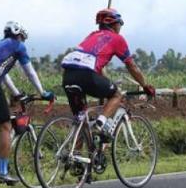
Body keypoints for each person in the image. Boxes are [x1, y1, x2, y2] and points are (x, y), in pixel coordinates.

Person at [0, 21, 55, 185]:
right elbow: (29, 72)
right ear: (19, 35)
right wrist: (43, 92)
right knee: (6, 127)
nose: (22, 41)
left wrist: (15, 93)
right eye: (22, 38)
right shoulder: (18, 46)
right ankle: (2, 172)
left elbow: (4, 74)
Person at [60, 8, 155, 138]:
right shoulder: (117, 38)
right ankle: (100, 124)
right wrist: (145, 85)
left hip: (68, 76)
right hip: (86, 75)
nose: (120, 27)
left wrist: (107, 82)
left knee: (81, 122)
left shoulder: (92, 35)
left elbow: (95, 68)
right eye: (120, 23)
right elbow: (131, 66)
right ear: (114, 23)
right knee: (117, 94)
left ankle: (74, 155)